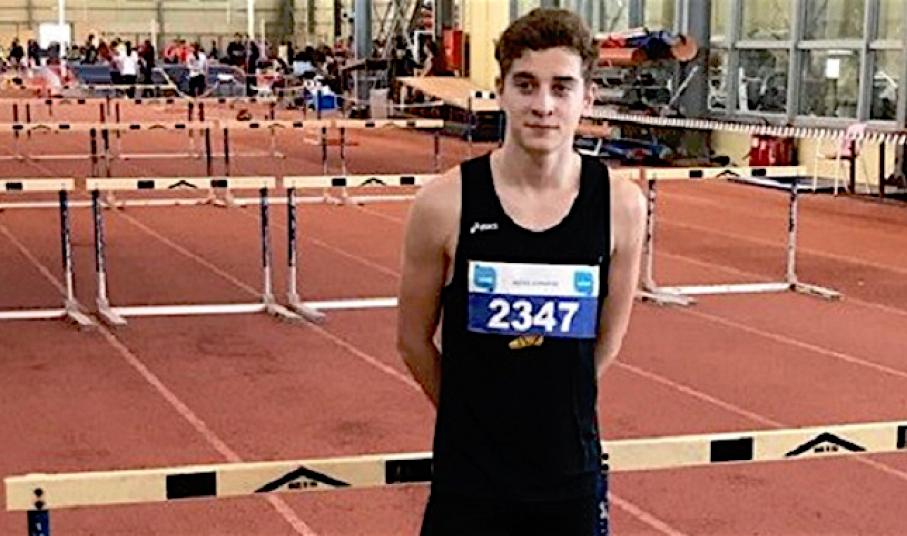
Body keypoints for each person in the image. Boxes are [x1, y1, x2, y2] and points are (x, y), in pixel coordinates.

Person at [397, 8, 645, 536]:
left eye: (561, 87)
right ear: (501, 91)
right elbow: (412, 341)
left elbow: (608, 340)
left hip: (569, 483)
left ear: (587, 98)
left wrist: (549, 412)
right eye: (526, 85)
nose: (543, 106)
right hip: (470, 486)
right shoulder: (443, 204)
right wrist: (474, 415)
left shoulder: (621, 206)